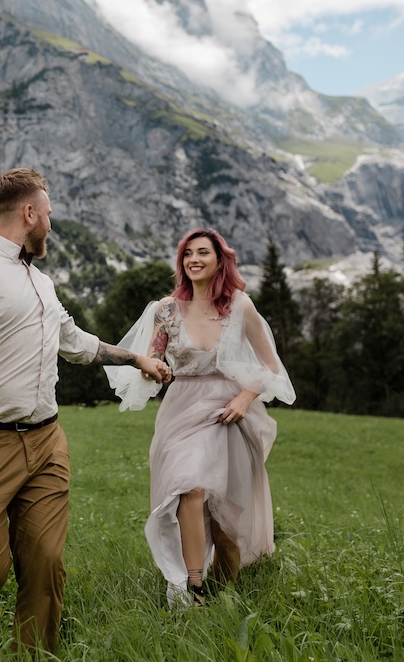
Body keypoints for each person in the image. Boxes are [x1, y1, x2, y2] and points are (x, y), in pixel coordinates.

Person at [0, 167, 173, 654]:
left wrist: (136, 357)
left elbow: (77, 345)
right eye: (48, 214)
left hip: (47, 442)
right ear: (29, 213)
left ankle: (33, 653)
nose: (51, 225)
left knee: (46, 563)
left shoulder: (44, 285)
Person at [104, 227, 295, 606]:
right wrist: (150, 368)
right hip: (182, 409)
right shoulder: (167, 310)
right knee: (188, 489)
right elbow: (154, 358)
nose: (194, 259)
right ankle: (192, 588)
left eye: (203, 252)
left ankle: (226, 594)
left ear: (219, 259)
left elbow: (271, 366)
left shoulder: (241, 307)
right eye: (188, 253)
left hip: (229, 412)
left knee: (227, 526)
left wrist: (244, 397)